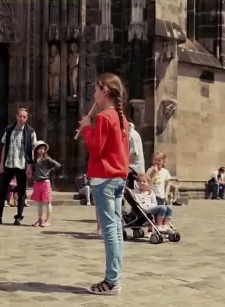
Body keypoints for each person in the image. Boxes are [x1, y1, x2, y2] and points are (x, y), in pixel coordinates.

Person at [78, 72, 129, 295]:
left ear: (105, 92)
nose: (94, 94)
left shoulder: (104, 117)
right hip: (118, 178)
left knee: (110, 230)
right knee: (116, 230)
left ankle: (112, 280)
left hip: (104, 179)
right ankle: (115, 277)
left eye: (96, 90)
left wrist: (86, 127)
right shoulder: (120, 117)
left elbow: (95, 149)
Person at [0, 108, 37, 226]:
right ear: (16, 116)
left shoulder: (30, 132)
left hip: (22, 165)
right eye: (20, 116)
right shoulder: (9, 130)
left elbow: (32, 150)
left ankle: (19, 217)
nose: (22, 119)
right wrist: (1, 163)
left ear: (27, 118)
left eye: (24, 117)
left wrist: (30, 166)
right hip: (9, 163)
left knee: (21, 192)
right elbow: (5, 147)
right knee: (2, 191)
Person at [30, 140, 61, 227]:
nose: (42, 150)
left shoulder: (46, 159)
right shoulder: (35, 160)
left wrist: (49, 171)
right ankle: (39, 219)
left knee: (47, 202)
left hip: (45, 182)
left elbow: (57, 165)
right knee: (39, 203)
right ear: (36, 149)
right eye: (40, 149)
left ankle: (48, 220)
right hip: (37, 183)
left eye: (43, 149)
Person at [127, 122, 144, 189]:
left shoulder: (132, 135)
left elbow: (134, 151)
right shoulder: (130, 135)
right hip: (132, 166)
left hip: (134, 167)